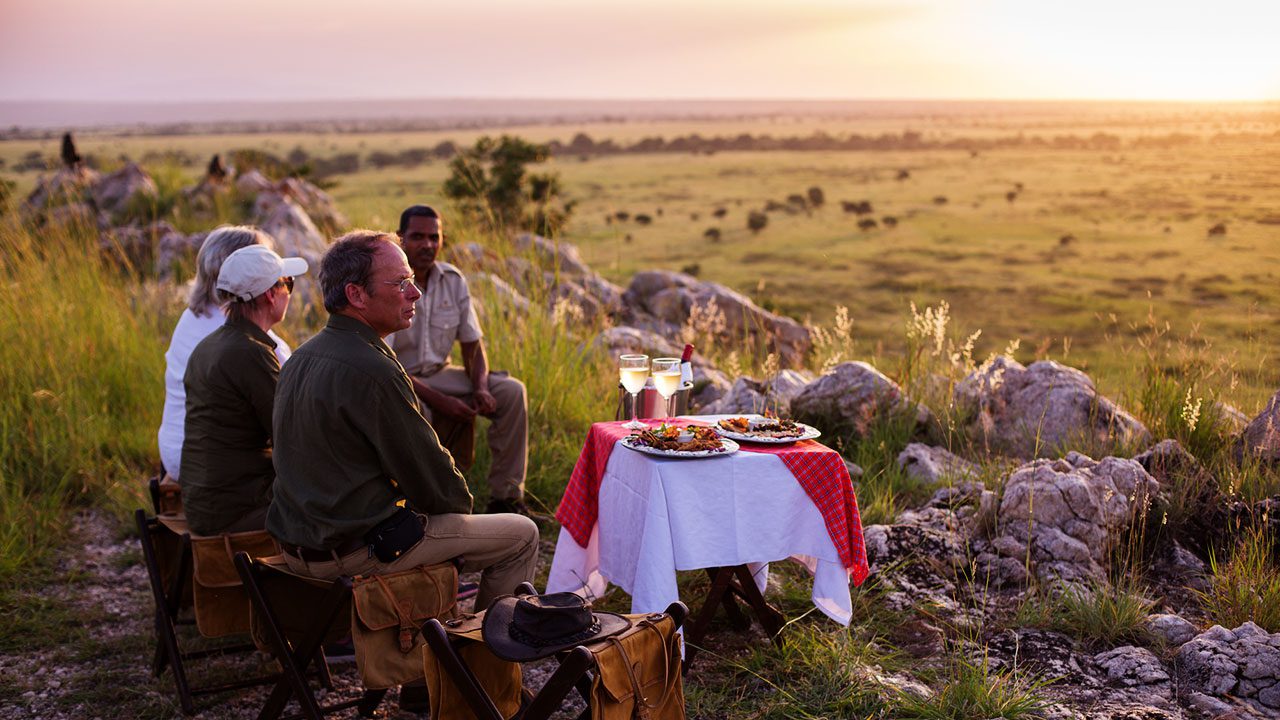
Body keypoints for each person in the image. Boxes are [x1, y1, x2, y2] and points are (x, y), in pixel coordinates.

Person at [266, 229, 539, 612]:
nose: (416, 293)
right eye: (401, 283)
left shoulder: (300, 357)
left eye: (412, 280)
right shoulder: (373, 367)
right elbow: (438, 486)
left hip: (299, 545)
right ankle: (482, 657)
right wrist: (460, 509)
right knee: (521, 535)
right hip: (354, 552)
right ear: (356, 295)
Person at [387, 204, 532, 515]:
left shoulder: (452, 280)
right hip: (398, 379)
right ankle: (428, 508)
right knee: (420, 410)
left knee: (511, 392)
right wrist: (440, 400)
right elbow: (385, 360)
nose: (427, 245)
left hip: (441, 373)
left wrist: (480, 386)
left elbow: (473, 345)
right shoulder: (389, 283)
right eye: (417, 237)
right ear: (400, 239)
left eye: (433, 237)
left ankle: (506, 498)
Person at [179, 246, 307, 536]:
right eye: (288, 283)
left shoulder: (209, 345)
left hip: (208, 503)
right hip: (239, 508)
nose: (290, 292)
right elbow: (293, 435)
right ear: (269, 295)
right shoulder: (250, 352)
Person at [157, 226, 291, 482]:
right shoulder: (243, 336)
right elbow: (289, 410)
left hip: (176, 451)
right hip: (210, 466)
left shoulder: (193, 317)